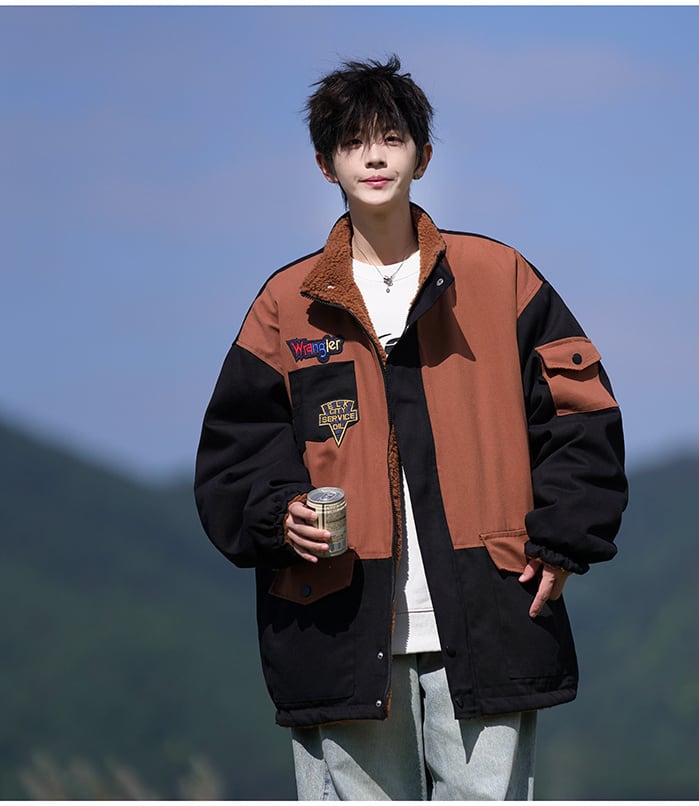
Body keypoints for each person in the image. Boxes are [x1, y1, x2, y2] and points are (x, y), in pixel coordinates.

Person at [194, 55, 627, 801]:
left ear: (422, 156)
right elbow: (235, 453)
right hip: (338, 620)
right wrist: (277, 514)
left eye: (391, 138)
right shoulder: (287, 304)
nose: (373, 157)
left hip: (490, 608)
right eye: (352, 142)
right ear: (325, 165)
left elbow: (581, 413)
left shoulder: (499, 278)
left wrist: (564, 540)